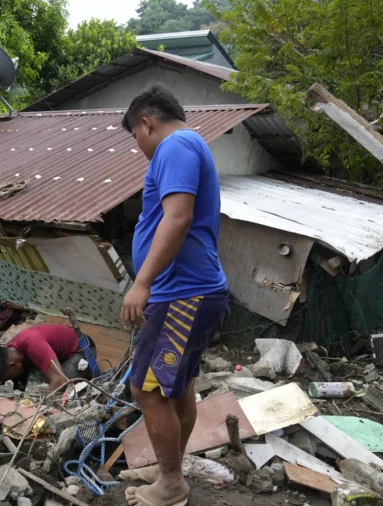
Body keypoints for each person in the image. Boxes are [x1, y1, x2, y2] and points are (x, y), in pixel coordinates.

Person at [119, 86, 230, 506]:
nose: (140, 147)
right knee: (177, 388)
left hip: (181, 293)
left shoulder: (176, 145)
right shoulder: (190, 145)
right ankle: (171, 471)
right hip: (193, 291)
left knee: (147, 390)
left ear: (147, 122)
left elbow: (178, 216)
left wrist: (142, 282)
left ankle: (170, 485)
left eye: (136, 137)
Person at [0, 324, 93, 391]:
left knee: (63, 388)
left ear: (13, 365)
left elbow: (59, 380)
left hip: (81, 347)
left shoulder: (33, 344)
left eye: (8, 378)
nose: (8, 381)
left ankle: (87, 373)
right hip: (55, 351)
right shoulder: (7, 352)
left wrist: (42, 409)